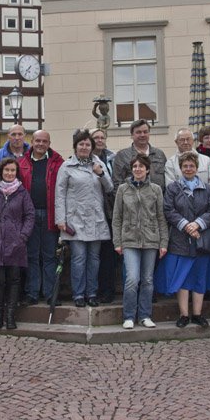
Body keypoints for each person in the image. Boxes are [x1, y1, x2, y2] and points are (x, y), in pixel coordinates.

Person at [158, 152, 210, 328]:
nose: (189, 169)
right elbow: (168, 210)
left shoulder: (208, 189)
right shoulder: (173, 188)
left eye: (192, 166)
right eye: (185, 166)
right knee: (183, 278)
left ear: (197, 168)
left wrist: (198, 224)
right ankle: (184, 314)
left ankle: (198, 314)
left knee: (200, 277)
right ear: (180, 168)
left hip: (202, 239)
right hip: (180, 239)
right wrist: (186, 225)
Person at [55, 130, 113, 307]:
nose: (84, 147)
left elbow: (110, 187)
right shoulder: (66, 166)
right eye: (81, 144)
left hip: (96, 219)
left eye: (88, 144)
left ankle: (92, 293)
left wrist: (101, 174)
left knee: (94, 259)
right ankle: (79, 294)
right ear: (75, 146)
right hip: (75, 220)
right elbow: (60, 194)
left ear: (92, 147)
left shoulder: (98, 163)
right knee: (79, 258)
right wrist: (61, 219)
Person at [112, 154, 168, 329]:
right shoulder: (123, 189)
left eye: (141, 166)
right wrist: (117, 241)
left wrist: (164, 242)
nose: (138, 169)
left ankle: (145, 315)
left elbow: (161, 217)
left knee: (148, 280)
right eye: (135, 166)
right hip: (129, 240)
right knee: (132, 279)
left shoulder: (155, 189)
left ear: (147, 169)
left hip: (151, 239)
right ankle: (129, 315)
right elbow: (117, 217)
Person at [0, 158, 34, 329]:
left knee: (14, 280)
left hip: (16, 243)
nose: (9, 173)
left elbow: (30, 215)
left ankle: (10, 316)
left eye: (13, 170)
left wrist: (23, 236)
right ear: (1, 171)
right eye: (6, 170)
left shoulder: (22, 192)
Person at [17, 130, 64, 305]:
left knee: (50, 255)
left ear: (49, 143)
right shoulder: (21, 163)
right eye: (37, 141)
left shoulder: (58, 162)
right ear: (31, 141)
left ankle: (50, 293)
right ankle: (32, 292)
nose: (40, 144)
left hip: (51, 214)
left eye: (44, 141)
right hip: (29, 215)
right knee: (31, 255)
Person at [92, 128, 118, 303]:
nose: (100, 140)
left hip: (110, 211)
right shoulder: (83, 159)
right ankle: (94, 290)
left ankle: (108, 290)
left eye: (102, 137)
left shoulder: (112, 158)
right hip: (90, 212)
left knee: (109, 254)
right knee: (94, 255)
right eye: (96, 138)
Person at [112, 119, 167, 189]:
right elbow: (117, 183)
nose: (142, 135)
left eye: (145, 132)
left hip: (157, 198)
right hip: (131, 199)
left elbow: (165, 181)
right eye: (138, 132)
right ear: (132, 135)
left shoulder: (159, 154)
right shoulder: (122, 156)